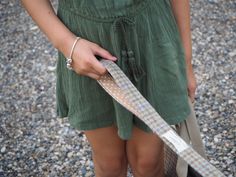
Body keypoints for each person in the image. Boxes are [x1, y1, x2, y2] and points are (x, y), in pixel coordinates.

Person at [21, 0, 196, 176]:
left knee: (148, 163)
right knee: (109, 163)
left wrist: (186, 62)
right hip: (86, 42)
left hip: (150, 34)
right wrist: (67, 44)